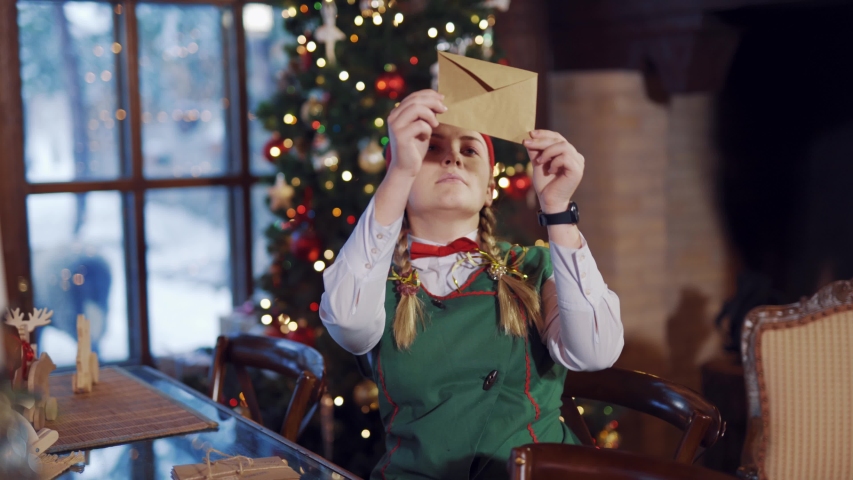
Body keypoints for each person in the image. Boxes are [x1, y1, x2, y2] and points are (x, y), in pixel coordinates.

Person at [320, 90, 623, 480]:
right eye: (432, 147)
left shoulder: (532, 266)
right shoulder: (376, 280)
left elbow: (594, 352)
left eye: (470, 150)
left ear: (489, 189)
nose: (453, 157)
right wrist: (399, 172)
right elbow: (346, 321)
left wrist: (558, 209)